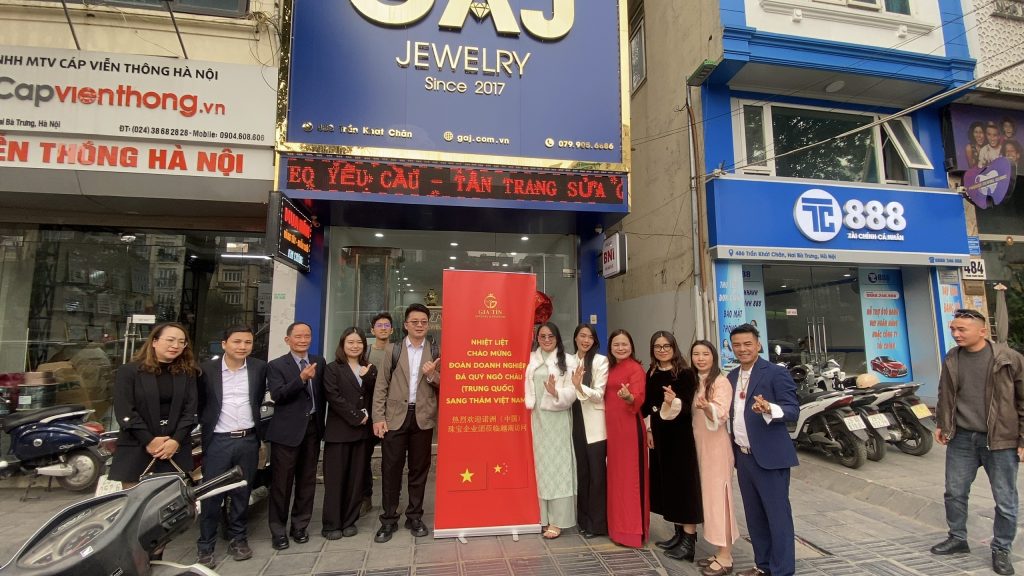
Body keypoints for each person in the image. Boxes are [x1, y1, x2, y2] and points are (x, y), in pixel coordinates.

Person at [930, 308, 1024, 576]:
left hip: (1000, 439)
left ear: (983, 331)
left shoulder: (1009, 359)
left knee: (1005, 499)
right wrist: (943, 423)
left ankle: (1001, 549)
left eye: (962, 329)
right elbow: (945, 392)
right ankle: (957, 538)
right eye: (953, 329)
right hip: (961, 437)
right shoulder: (953, 357)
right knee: (954, 492)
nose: (956, 334)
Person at [727, 323, 799, 576]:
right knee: (755, 517)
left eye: (748, 344)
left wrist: (769, 408)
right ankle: (763, 566)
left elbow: (792, 410)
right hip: (744, 457)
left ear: (758, 345)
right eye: (737, 345)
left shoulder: (775, 373)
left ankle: (782, 571)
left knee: (777, 517)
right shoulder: (731, 377)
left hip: (770, 458)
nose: (742, 349)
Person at [195, 326, 267, 567]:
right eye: (237, 341)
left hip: (248, 439)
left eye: (247, 342)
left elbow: (257, 399)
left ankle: (238, 539)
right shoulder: (206, 370)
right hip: (219, 440)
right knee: (211, 495)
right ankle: (206, 546)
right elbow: (200, 404)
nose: (242, 346)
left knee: (242, 493)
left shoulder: (258, 368)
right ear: (224, 343)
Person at [372, 303, 441, 543]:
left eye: (424, 322)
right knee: (391, 469)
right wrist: (378, 417)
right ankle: (389, 518)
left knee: (419, 470)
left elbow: (446, 383)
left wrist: (432, 375)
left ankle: (414, 516)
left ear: (428, 325)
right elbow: (381, 386)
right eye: (415, 322)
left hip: (422, 417)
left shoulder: (435, 350)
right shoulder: (393, 349)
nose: (419, 325)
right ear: (406, 325)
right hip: (395, 417)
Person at [110, 322, 198, 491]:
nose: (176, 345)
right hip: (137, 446)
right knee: (137, 501)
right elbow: (125, 410)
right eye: (170, 340)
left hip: (175, 448)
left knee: (173, 501)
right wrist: (149, 440)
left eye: (181, 342)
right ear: (154, 341)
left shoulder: (188, 373)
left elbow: (191, 410)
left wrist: (175, 440)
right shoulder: (129, 371)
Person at [266, 321, 326, 550]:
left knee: (307, 481)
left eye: (307, 336)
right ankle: (278, 531)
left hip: (312, 429)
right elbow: (278, 395)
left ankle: (300, 526)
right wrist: (301, 379)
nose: (303, 340)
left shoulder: (319, 361)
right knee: (282, 483)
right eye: (298, 336)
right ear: (287, 339)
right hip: (286, 433)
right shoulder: (276, 365)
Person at [644, 331, 701, 561]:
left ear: (674, 347)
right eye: (657, 347)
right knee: (669, 487)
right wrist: (649, 429)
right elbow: (648, 405)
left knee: (684, 487)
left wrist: (672, 401)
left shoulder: (685, 374)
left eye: (666, 346)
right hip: (661, 437)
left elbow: (687, 406)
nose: (662, 350)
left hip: (681, 438)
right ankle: (678, 534)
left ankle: (689, 541)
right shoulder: (652, 372)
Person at [322, 327, 378, 539]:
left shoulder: (369, 368)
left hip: (362, 434)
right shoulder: (332, 368)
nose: (355, 346)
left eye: (359, 342)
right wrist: (356, 416)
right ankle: (331, 524)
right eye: (351, 342)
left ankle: (349, 521)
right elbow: (333, 397)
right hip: (339, 432)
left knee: (356, 479)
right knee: (335, 480)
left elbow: (375, 395)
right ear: (342, 344)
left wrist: (369, 378)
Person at [691, 340, 739, 576]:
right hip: (701, 447)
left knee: (720, 500)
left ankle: (726, 556)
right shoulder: (698, 381)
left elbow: (720, 413)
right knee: (709, 500)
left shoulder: (721, 382)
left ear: (714, 357)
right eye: (696, 354)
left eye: (705, 354)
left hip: (716, 449)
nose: (700, 358)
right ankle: (719, 550)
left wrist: (707, 407)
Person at [524, 322, 577, 539]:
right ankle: (542, 518)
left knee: (559, 468)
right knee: (541, 469)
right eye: (542, 336)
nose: (546, 340)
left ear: (557, 338)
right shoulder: (530, 359)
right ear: (537, 338)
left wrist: (557, 393)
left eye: (551, 336)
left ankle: (558, 520)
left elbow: (573, 392)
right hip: (537, 420)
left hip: (558, 420)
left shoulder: (569, 361)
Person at [604, 329, 649, 548]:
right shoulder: (610, 368)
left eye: (624, 344)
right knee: (616, 480)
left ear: (631, 346)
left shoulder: (636, 369)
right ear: (610, 347)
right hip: (612, 432)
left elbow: (638, 398)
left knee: (630, 481)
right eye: (616, 344)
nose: (620, 348)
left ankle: (632, 532)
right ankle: (616, 528)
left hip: (629, 430)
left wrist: (629, 397)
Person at [567, 323, 609, 539]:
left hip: (595, 424)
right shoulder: (569, 361)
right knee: (582, 472)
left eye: (590, 337)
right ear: (575, 338)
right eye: (582, 336)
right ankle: (583, 521)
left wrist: (579, 386)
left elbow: (599, 394)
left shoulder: (600, 361)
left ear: (594, 341)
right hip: (575, 422)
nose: (585, 340)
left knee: (597, 475)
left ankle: (597, 524)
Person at [362, 311, 394, 516]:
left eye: (387, 325)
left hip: (392, 412)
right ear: (372, 330)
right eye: (379, 325)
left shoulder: (398, 351)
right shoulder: (364, 353)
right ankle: (365, 498)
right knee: (363, 456)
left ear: (392, 330)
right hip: (368, 411)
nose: (383, 328)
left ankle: (391, 501)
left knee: (391, 459)